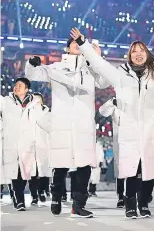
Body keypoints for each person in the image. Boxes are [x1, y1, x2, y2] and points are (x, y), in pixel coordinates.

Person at [74, 20, 154, 219]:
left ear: (146, 53)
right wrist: (84, 45)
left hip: (149, 131)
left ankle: (144, 203)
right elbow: (100, 64)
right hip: (128, 132)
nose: (138, 54)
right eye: (134, 51)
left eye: (141, 50)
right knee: (131, 171)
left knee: (148, 171)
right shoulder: (120, 75)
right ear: (129, 55)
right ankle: (129, 205)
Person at [25, 34, 110, 218]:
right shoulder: (57, 67)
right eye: (74, 42)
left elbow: (105, 81)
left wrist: (97, 59)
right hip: (62, 123)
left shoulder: (90, 69)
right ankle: (56, 196)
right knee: (60, 166)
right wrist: (32, 63)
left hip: (83, 125)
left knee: (84, 167)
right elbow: (33, 74)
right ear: (67, 48)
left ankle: (78, 205)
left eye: (81, 42)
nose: (77, 45)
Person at [0, 78, 47, 211]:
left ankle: (18, 197)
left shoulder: (34, 104)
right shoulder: (6, 101)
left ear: (26, 89)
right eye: (15, 85)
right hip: (12, 142)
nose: (16, 87)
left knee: (24, 173)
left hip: (28, 144)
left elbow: (43, 121)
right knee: (14, 172)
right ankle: (19, 200)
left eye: (20, 85)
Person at [99, 97, 124, 208]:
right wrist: (110, 103)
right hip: (120, 142)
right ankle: (121, 197)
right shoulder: (115, 102)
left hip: (135, 141)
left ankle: (138, 195)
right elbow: (102, 112)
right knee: (121, 172)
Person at [32, 92, 52, 204]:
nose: (36, 101)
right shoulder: (29, 112)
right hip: (32, 145)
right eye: (34, 99)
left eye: (38, 99)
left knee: (44, 171)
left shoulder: (47, 112)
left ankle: (42, 190)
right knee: (33, 171)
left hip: (44, 145)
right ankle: (35, 195)